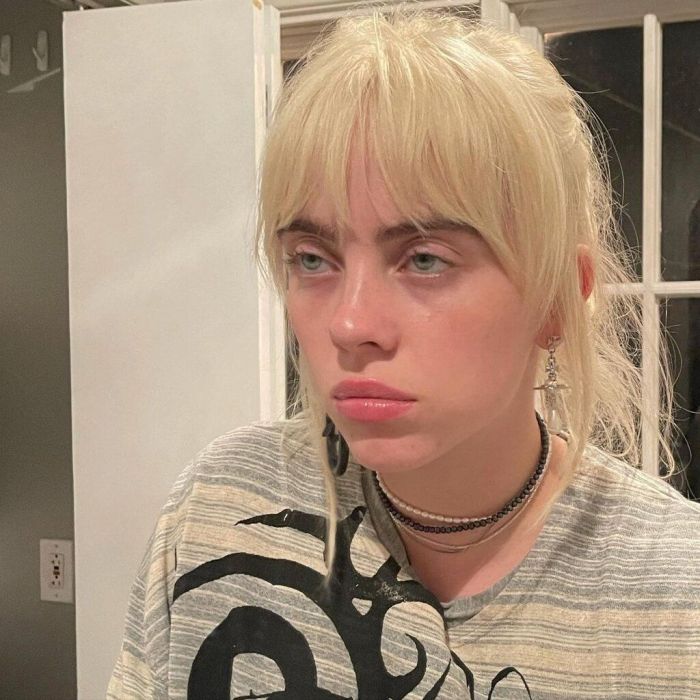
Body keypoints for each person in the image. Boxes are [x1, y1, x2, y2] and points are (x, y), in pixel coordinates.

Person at [107, 7, 700, 699]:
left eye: (424, 259)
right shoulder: (224, 504)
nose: (350, 323)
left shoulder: (673, 595)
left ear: (559, 300)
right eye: (312, 258)